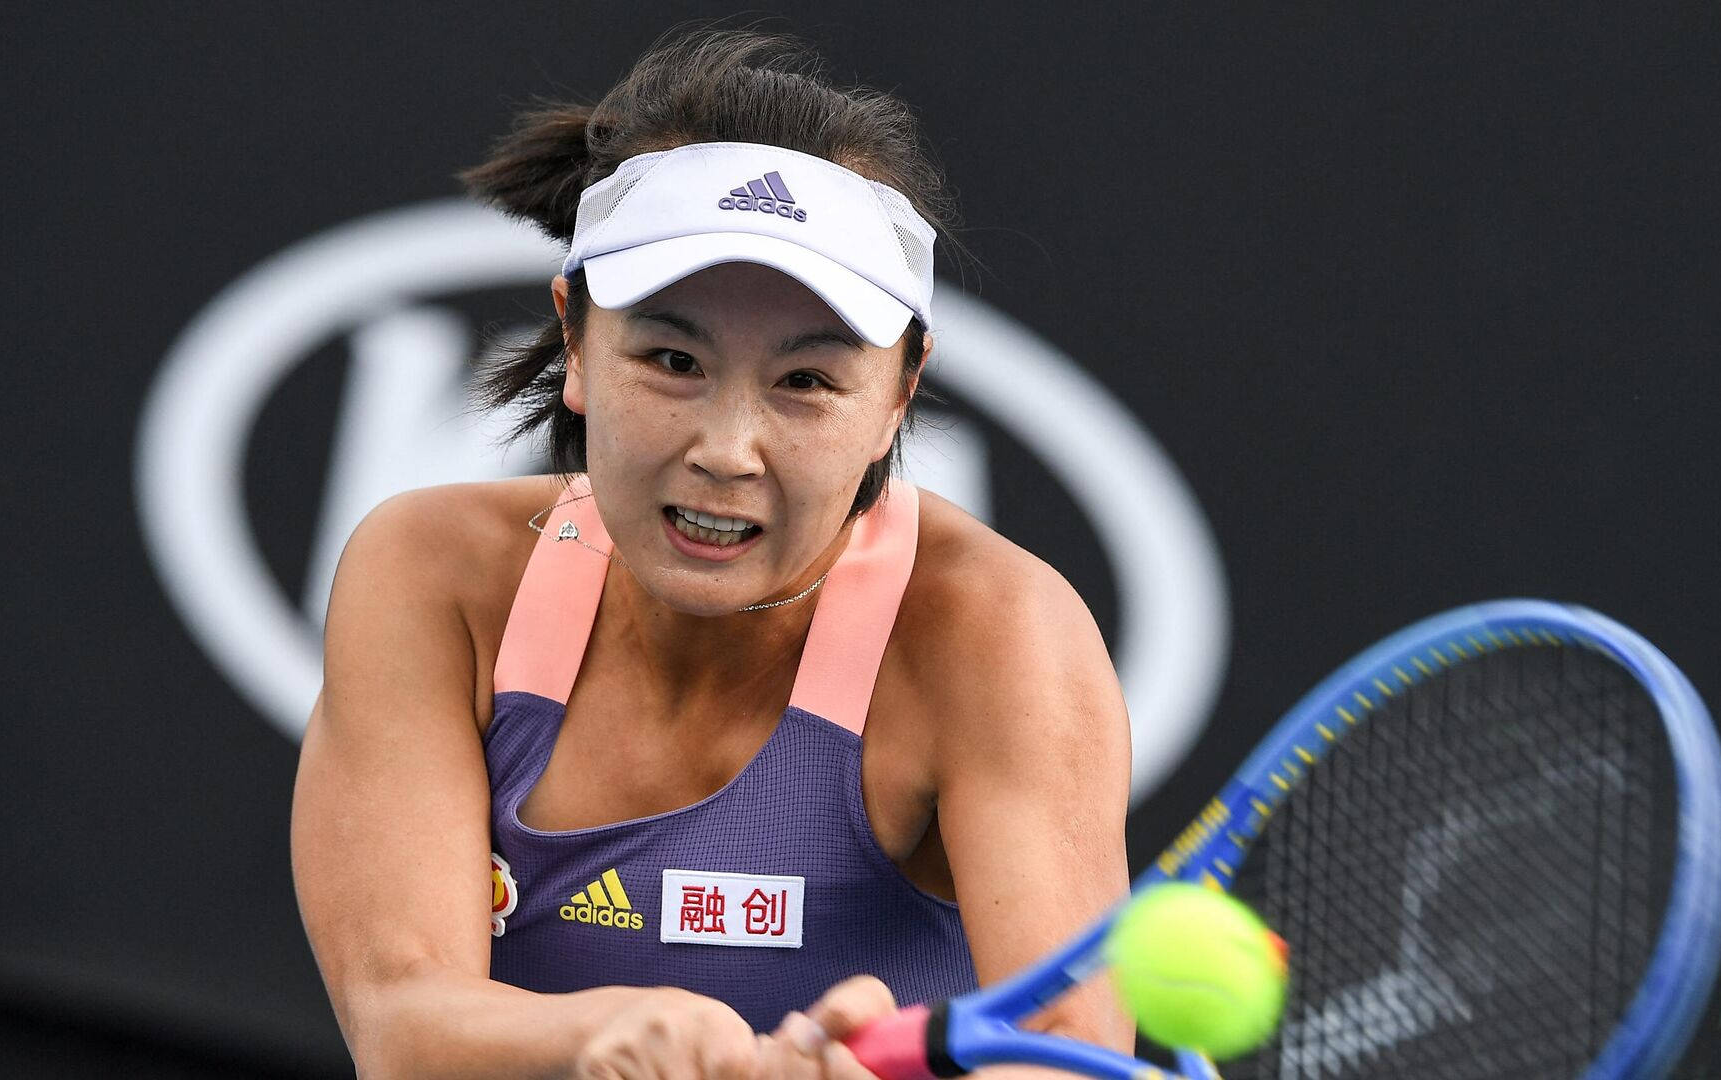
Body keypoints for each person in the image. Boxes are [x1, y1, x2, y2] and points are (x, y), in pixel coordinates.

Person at [291, 28, 1132, 1080]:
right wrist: (601, 1034)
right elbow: (403, 1024)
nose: (726, 453)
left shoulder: (999, 635)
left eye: (807, 383)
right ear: (577, 346)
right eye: (673, 359)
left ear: (898, 397)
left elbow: (1070, 1060)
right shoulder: (432, 575)